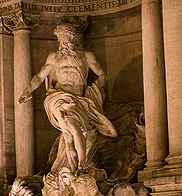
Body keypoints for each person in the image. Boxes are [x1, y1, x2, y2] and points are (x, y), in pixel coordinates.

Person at [18, 21, 117, 172]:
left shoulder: (86, 55)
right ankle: (82, 162)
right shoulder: (53, 57)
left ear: (73, 36)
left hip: (78, 99)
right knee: (71, 126)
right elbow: (39, 77)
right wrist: (27, 91)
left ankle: (76, 161)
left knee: (70, 131)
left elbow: (102, 75)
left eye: (67, 36)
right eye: (61, 36)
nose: (64, 40)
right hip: (58, 97)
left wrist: (94, 88)